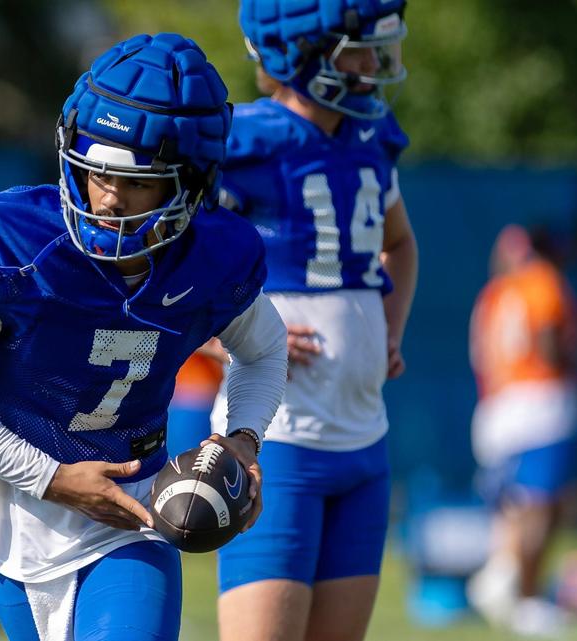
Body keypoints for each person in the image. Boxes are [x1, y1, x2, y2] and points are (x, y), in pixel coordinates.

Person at [0, 33, 288, 641]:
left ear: (189, 181)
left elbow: (264, 351)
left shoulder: (214, 255)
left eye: (137, 182)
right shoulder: (15, 241)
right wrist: (52, 478)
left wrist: (241, 440)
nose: (107, 199)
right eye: (95, 173)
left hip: (133, 512)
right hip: (15, 514)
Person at [210, 2, 418, 640]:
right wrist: (222, 336)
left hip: (363, 439)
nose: (370, 65)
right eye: (355, 50)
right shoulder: (244, 140)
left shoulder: (370, 139)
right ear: (303, 57)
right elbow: (173, 259)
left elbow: (401, 244)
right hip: (277, 438)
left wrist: (390, 328)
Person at [466, 225, 577, 637]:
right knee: (541, 505)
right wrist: (574, 362)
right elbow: (549, 339)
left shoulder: (493, 294)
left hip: (496, 407)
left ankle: (500, 580)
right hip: (538, 401)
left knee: (513, 509)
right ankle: (526, 600)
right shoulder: (541, 281)